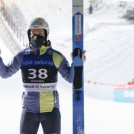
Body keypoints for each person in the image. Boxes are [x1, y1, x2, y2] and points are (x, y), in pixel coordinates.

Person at [0, 17, 73, 134]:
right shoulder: (22, 56)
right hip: (29, 111)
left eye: (40, 33)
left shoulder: (55, 56)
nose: (36, 36)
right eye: (33, 33)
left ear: (46, 34)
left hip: (50, 111)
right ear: (29, 35)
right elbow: (5, 73)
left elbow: (71, 78)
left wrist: (77, 62)